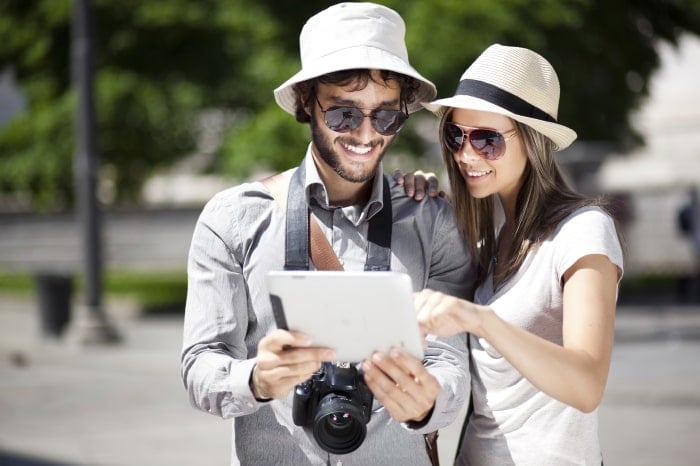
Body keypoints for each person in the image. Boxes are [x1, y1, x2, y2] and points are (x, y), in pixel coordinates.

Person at [180, 3, 474, 465]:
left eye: (386, 117)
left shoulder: (433, 219)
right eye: (342, 115)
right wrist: (258, 378)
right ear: (305, 104)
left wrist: (428, 400)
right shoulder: (232, 219)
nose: (366, 133)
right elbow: (200, 365)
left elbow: (452, 361)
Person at [413, 44, 625, 465]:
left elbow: (586, 386)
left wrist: (480, 320)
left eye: (487, 140)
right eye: (456, 136)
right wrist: (418, 206)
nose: (466, 155)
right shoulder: (490, 240)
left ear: (533, 141)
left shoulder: (582, 230)